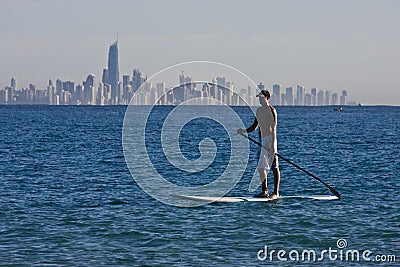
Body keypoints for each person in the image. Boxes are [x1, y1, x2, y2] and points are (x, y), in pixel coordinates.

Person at [237, 89, 280, 199]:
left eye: (262, 98)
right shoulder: (259, 111)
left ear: (267, 98)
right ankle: (264, 191)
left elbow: (273, 129)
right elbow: (254, 126)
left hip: (271, 140)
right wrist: (244, 131)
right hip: (262, 140)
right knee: (261, 167)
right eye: (259, 98)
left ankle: (276, 192)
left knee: (274, 167)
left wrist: (272, 147)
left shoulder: (272, 111)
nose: (260, 100)